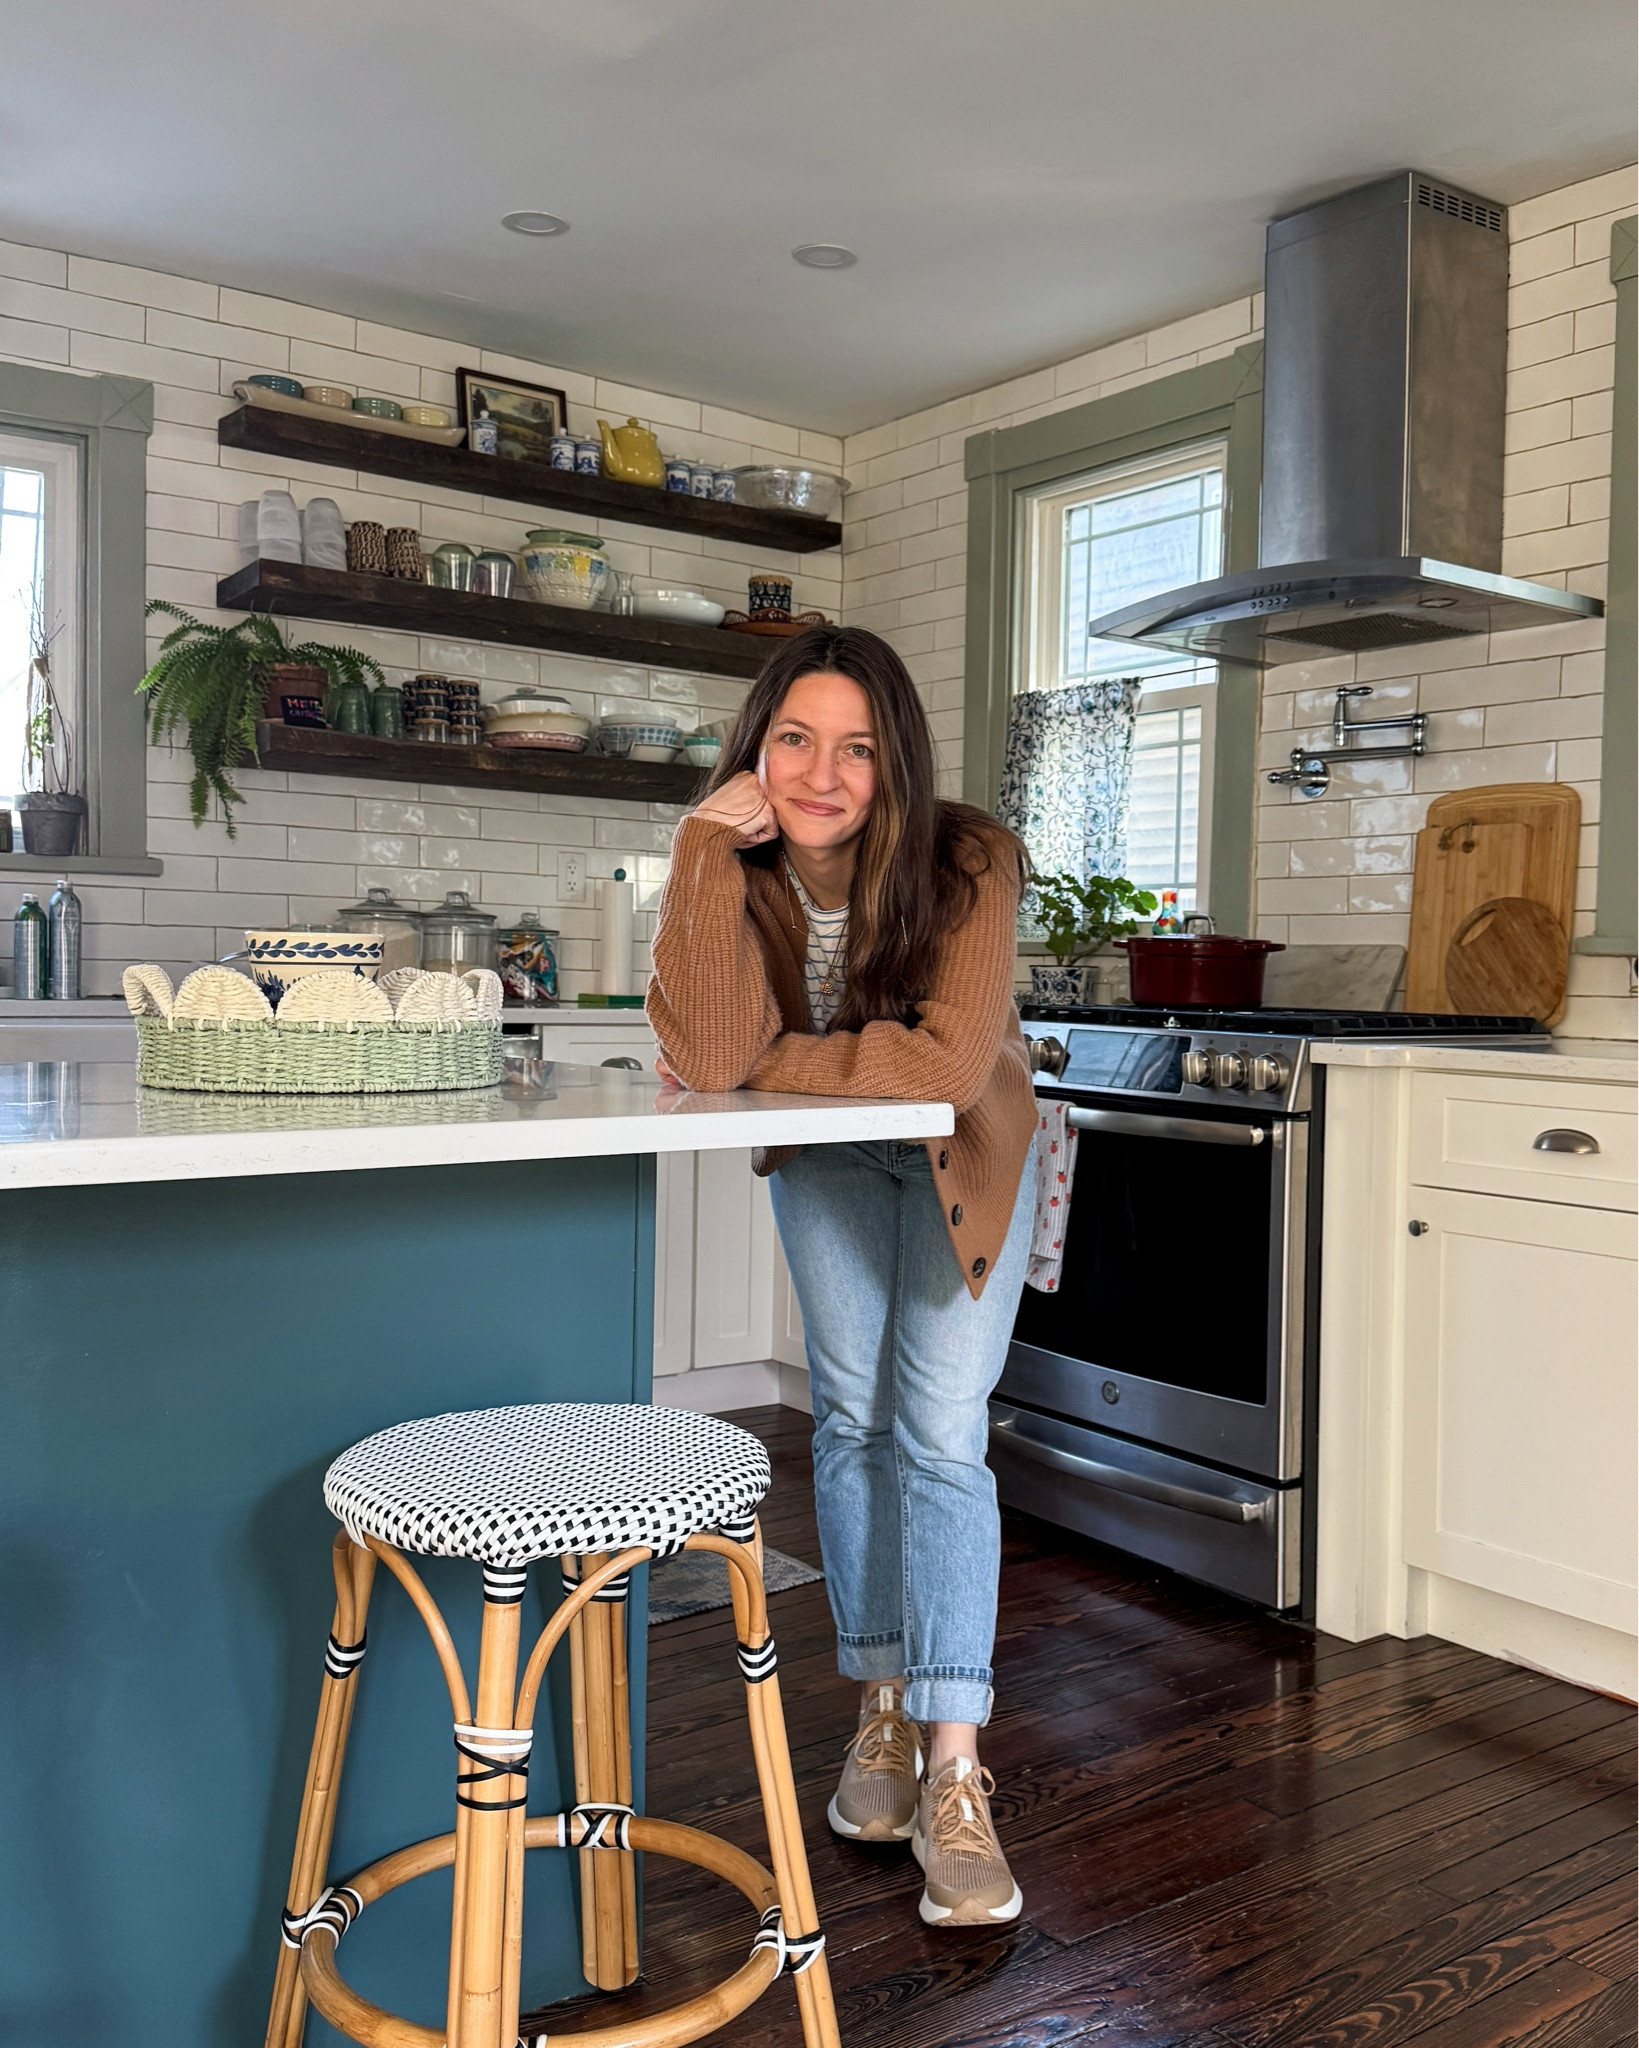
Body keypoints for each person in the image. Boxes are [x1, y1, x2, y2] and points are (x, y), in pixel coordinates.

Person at [646, 624, 1037, 1927]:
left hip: (955, 1162)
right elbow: (707, 1046)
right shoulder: (738, 863)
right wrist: (702, 847)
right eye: (797, 739)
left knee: (936, 1436)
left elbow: (940, 1071)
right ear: (757, 747)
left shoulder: (967, 856)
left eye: (858, 747)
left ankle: (954, 1766)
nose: (823, 773)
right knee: (854, 1426)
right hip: (826, 1167)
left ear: (896, 762)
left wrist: (774, 1062)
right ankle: (880, 1707)